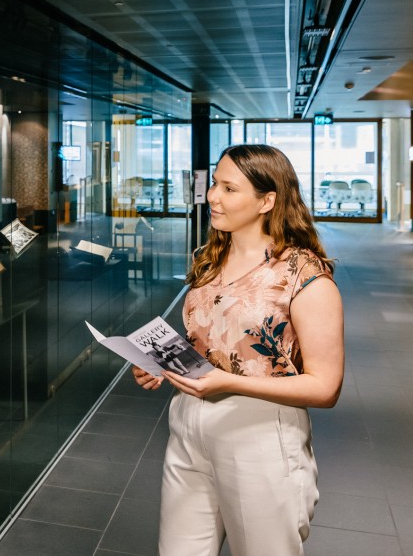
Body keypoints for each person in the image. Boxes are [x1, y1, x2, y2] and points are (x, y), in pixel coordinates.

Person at [133, 144, 344, 556]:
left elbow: (325, 387)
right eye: (215, 183)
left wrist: (227, 382)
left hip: (260, 435)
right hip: (188, 426)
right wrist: (157, 364)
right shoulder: (208, 260)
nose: (213, 195)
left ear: (267, 200)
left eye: (229, 188)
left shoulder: (304, 275)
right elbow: (210, 344)